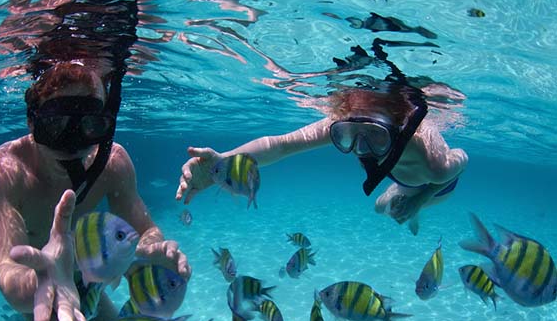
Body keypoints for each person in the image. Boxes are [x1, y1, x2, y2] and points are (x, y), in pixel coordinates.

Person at [0, 60, 210, 321]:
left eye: (89, 124)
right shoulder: (5, 173)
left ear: (106, 122)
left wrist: (151, 249)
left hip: (91, 282)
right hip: (43, 297)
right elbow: (7, 272)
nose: (72, 144)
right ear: (31, 122)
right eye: (56, 125)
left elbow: (144, 229)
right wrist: (45, 280)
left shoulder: (112, 162)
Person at [175, 82, 468, 235]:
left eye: (376, 137)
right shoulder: (351, 122)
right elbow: (281, 145)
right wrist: (221, 162)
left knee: (401, 206)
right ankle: (405, 196)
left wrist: (420, 199)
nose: (361, 146)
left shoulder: (431, 160)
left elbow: (461, 162)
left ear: (397, 129)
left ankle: (415, 202)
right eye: (347, 136)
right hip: (403, 178)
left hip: (438, 185)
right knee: (381, 209)